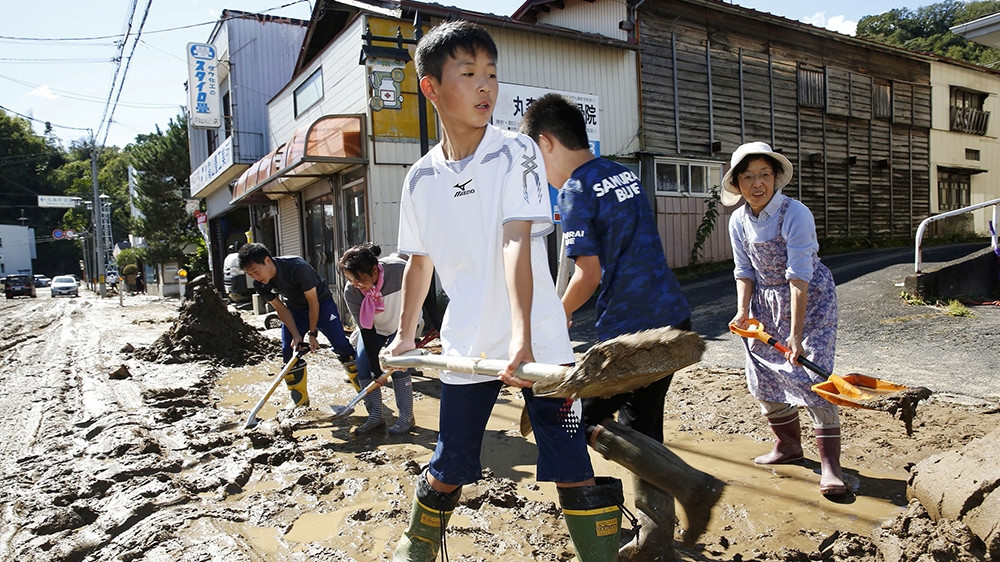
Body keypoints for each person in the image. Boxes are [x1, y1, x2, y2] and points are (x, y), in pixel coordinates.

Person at [385, 20, 623, 562]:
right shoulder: (420, 179)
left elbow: (520, 244)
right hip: (467, 343)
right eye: (468, 74)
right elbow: (419, 263)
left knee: (568, 458)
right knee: (449, 462)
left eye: (492, 74)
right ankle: (414, 550)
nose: (485, 86)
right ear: (431, 88)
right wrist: (403, 338)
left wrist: (525, 339)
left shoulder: (516, 152)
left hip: (538, 339)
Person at [521, 93, 725, 559]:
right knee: (643, 424)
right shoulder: (622, 173)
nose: (542, 174)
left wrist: (552, 319)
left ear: (547, 143)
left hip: (629, 335)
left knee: (580, 417)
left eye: (536, 159)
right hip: (673, 318)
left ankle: (694, 486)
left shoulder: (575, 189)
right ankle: (656, 539)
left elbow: (586, 275)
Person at [723, 141, 846, 496]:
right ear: (738, 183)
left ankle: (830, 467)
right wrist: (743, 311)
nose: (757, 184)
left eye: (764, 174)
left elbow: (798, 276)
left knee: (812, 375)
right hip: (765, 302)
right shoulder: (738, 220)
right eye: (748, 177)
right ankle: (788, 447)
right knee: (761, 373)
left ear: (776, 177)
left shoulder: (796, 213)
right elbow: (744, 270)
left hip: (808, 298)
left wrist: (794, 334)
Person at [238, 242, 357, 407]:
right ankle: (299, 402)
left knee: (342, 346)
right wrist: (295, 334)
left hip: (322, 305)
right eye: (251, 275)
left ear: (267, 260)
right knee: (288, 351)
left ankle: (365, 391)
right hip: (295, 310)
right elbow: (281, 308)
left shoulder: (296, 266)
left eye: (256, 272)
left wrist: (312, 334)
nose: (256, 277)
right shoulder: (260, 284)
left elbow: (313, 303)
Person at [339, 243, 419, 436]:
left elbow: (421, 289)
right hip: (375, 329)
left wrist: (433, 321)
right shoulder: (352, 292)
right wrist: (375, 368)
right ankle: (375, 416)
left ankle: (406, 417)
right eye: (351, 279)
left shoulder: (398, 270)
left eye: (359, 279)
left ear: (375, 269)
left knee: (399, 366)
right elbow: (367, 332)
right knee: (364, 365)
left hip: (402, 325)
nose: (356, 284)